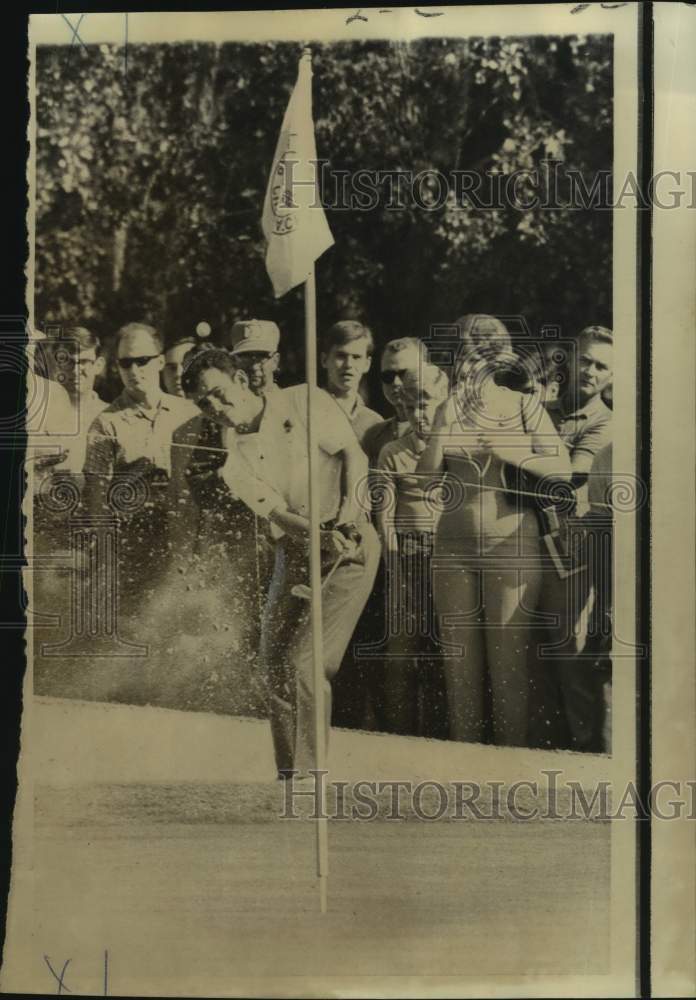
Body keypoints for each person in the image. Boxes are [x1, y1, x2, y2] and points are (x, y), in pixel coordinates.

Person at [181, 348, 380, 778]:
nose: (215, 408)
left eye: (217, 393)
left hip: (352, 546)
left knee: (305, 663)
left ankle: (311, 778)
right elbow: (277, 515)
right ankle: (289, 778)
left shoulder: (304, 401)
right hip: (298, 550)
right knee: (271, 666)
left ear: (240, 379)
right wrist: (318, 536)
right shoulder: (233, 461)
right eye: (203, 403)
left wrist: (346, 519)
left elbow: (354, 456)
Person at [416, 314, 572, 747]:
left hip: (512, 544)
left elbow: (562, 467)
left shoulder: (522, 404)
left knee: (508, 668)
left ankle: (508, 768)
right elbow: (425, 480)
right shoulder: (447, 408)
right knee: (458, 667)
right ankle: (466, 762)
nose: (465, 362)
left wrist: (510, 450)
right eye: (459, 353)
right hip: (452, 547)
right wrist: (441, 429)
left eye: (474, 352)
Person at [529, 325, 614, 750]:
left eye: (603, 366)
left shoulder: (604, 425)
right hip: (527, 539)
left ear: (613, 376)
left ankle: (586, 749)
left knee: (569, 647)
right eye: (586, 360)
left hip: (572, 547)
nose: (592, 371)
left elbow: (568, 480)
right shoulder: (544, 408)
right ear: (570, 358)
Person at [83, 322, 197, 619]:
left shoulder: (191, 414)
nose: (134, 371)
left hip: (189, 543)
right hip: (136, 552)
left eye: (142, 361)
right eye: (125, 363)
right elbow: (97, 506)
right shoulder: (105, 424)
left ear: (160, 361)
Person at [375, 364, 450, 738]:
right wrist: (397, 572)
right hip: (406, 554)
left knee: (442, 653)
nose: (422, 415)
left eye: (430, 405)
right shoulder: (392, 452)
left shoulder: (454, 452)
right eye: (414, 406)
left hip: (448, 557)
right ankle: (397, 735)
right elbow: (384, 519)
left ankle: (439, 737)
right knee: (401, 654)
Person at [361, 337, 429, 466]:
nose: (396, 383)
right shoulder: (374, 436)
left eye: (404, 374)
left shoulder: (439, 429)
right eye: (388, 376)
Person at [320, 320, 382, 451]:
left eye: (356, 357)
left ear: (367, 364)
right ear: (324, 360)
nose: (348, 364)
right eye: (341, 356)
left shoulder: (375, 423)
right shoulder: (307, 410)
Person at [225, 319, 281, 397]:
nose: (254, 366)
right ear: (236, 361)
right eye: (246, 356)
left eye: (261, 356)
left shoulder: (290, 403)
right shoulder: (231, 406)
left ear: (275, 361)